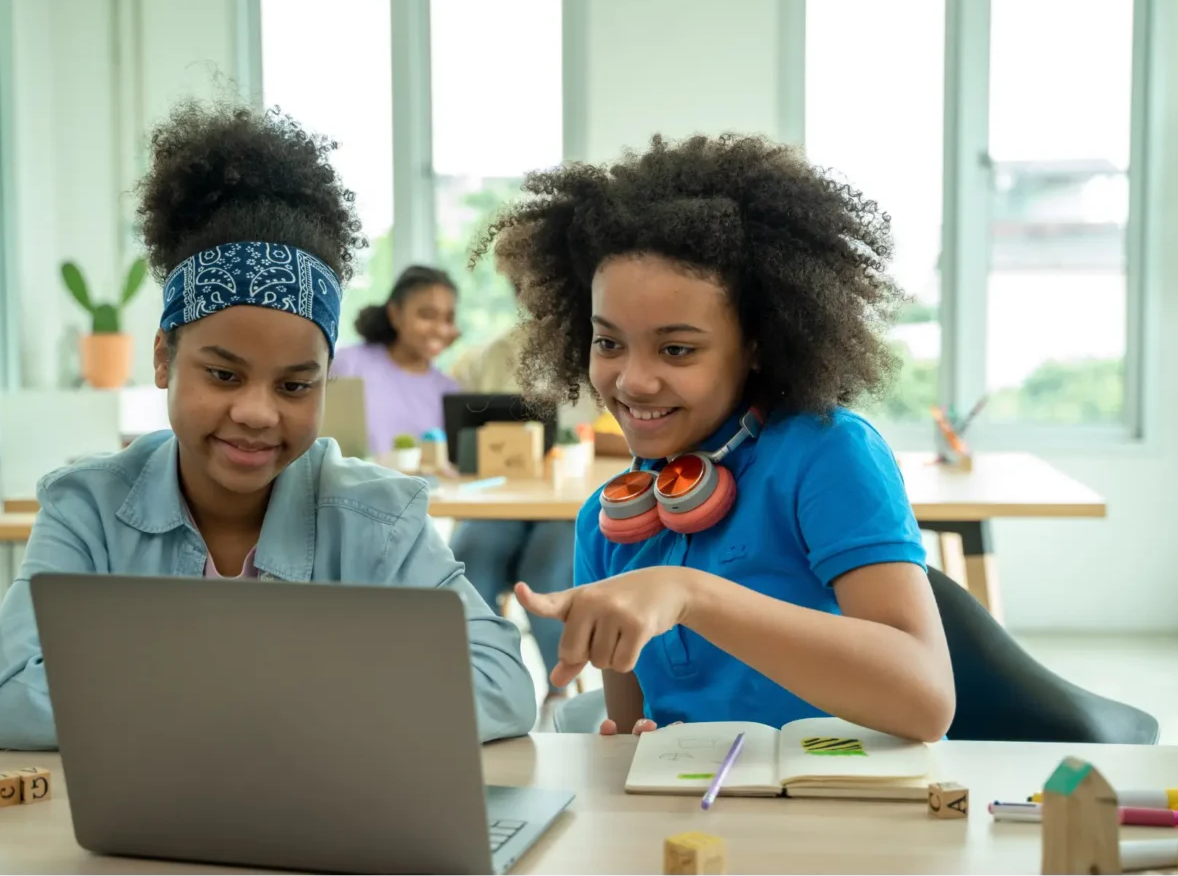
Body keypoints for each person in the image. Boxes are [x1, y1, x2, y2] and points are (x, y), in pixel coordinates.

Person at [0, 99, 537, 750]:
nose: (257, 412)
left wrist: (180, 699)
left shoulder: (379, 519)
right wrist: (296, 699)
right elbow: (12, 696)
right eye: (223, 374)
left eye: (296, 385)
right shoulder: (89, 509)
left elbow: (501, 684)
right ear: (164, 359)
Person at [468, 133, 956, 743]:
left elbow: (926, 702)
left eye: (677, 349)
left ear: (755, 344)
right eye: (608, 342)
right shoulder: (607, 521)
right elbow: (631, 728)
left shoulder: (828, 455)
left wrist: (689, 593)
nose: (633, 380)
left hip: (835, 811)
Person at [446, 235, 598, 700]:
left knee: (549, 569)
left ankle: (560, 687)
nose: (530, 295)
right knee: (469, 551)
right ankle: (476, 683)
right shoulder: (487, 359)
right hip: (503, 499)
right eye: (521, 284)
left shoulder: (598, 347)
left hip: (569, 501)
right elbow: (461, 439)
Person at [329, 265, 461, 456]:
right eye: (427, 315)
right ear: (395, 314)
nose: (441, 330)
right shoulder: (350, 364)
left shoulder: (449, 390)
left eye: (449, 319)